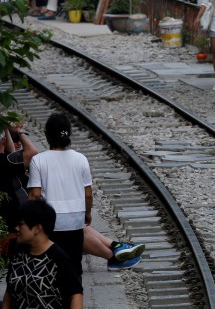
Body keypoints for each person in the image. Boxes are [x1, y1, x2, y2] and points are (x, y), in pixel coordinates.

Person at [27, 113, 142, 276]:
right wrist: (86, 214)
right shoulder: (80, 159)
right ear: (69, 134)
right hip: (75, 220)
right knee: (77, 246)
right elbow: (88, 194)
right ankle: (115, 251)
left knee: (68, 226)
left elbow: (34, 197)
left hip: (51, 222)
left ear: (47, 135)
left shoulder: (38, 160)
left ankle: (115, 253)